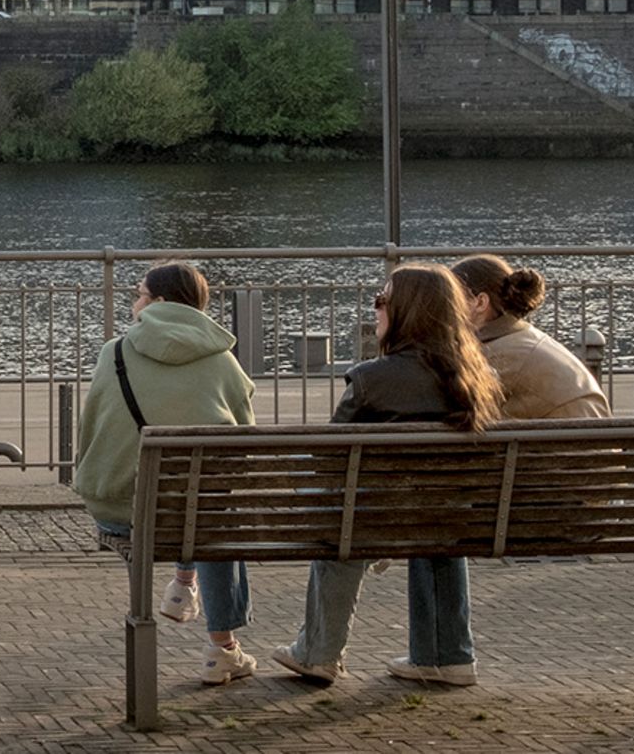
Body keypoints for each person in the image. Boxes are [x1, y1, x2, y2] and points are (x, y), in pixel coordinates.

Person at [272, 263, 503, 688]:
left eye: (381, 302)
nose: (374, 310)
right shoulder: (479, 378)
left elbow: (329, 457)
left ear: (407, 313)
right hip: (453, 518)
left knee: (339, 521)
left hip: (376, 517)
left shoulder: (369, 380)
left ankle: (318, 653)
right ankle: (448, 657)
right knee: (435, 524)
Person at [75, 263, 260, 685]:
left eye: (138, 294)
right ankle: (221, 647)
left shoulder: (114, 353)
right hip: (192, 514)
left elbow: (92, 430)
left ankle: (183, 582)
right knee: (207, 510)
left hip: (122, 509)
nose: (134, 303)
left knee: (188, 504)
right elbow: (243, 448)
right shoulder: (223, 361)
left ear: (159, 303)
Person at [449, 255, 609, 421]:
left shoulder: (500, 354)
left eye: (451, 300)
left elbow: (451, 408)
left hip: (572, 444)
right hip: (585, 441)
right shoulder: (522, 338)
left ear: (480, 302)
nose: (446, 310)